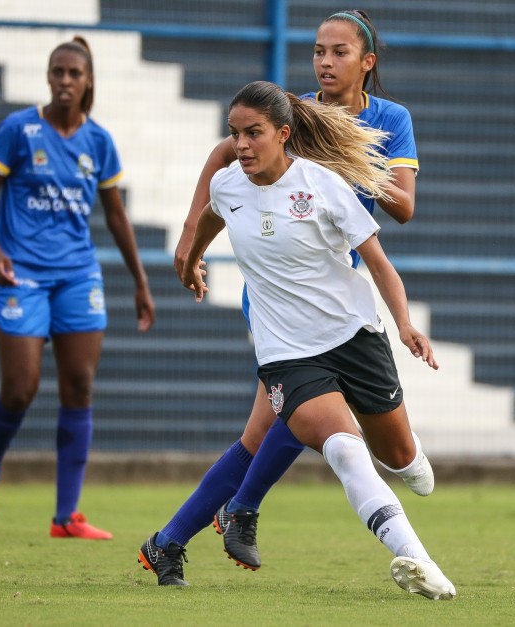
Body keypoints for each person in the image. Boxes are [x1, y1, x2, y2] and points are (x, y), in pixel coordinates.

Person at [141, 9, 430, 583]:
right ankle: (232, 516)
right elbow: (224, 160)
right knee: (307, 420)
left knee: (273, 428)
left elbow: (403, 206)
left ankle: (183, 533)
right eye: (318, 50)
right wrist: (189, 236)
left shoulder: (389, 120)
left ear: (366, 63)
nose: (324, 61)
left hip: (337, 295)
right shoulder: (290, 115)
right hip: (282, 295)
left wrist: (348, 164)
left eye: (339, 52)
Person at [0, 36, 156, 539]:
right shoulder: (19, 130)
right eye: (58, 72)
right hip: (20, 273)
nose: (65, 81)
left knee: (80, 387)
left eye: (74, 73)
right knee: (20, 388)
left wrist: (140, 282)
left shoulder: (99, 142)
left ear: (89, 80)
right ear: (48, 77)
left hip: (77, 275)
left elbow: (116, 217)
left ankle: (66, 516)